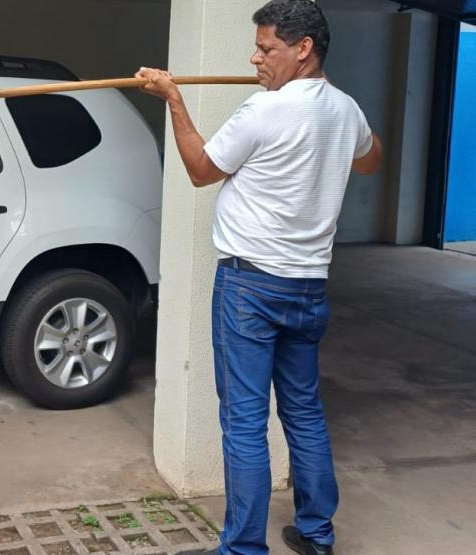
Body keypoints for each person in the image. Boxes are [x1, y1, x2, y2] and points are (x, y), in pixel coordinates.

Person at [136, 1, 382, 554]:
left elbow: (201, 171)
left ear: (303, 50)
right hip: (307, 289)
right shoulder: (346, 110)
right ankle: (317, 535)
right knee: (303, 410)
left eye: (267, 48)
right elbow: (370, 159)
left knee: (245, 422)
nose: (255, 58)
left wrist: (174, 99)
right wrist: (333, 118)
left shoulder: (263, 110)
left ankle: (244, 549)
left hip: (250, 288)